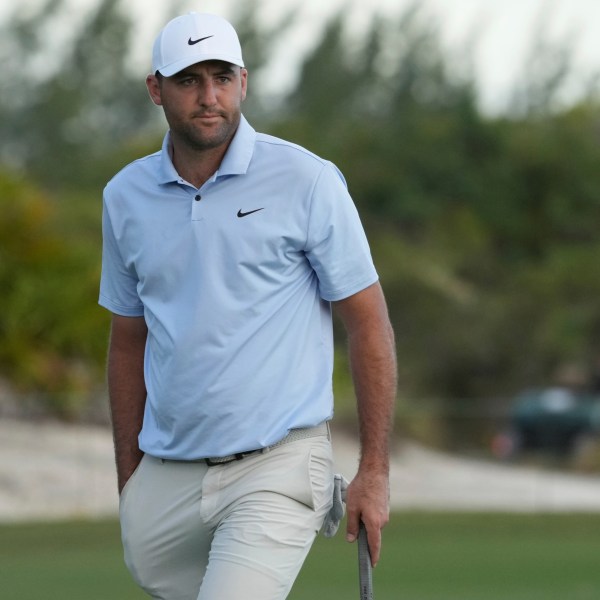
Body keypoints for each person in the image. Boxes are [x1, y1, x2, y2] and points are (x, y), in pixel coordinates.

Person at [99, 11, 396, 600]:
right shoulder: (124, 196)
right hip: (166, 478)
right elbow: (129, 337)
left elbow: (367, 321)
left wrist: (374, 471)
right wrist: (130, 481)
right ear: (156, 89)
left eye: (222, 77)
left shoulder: (307, 180)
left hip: (278, 466)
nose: (209, 97)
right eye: (188, 80)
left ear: (244, 81)